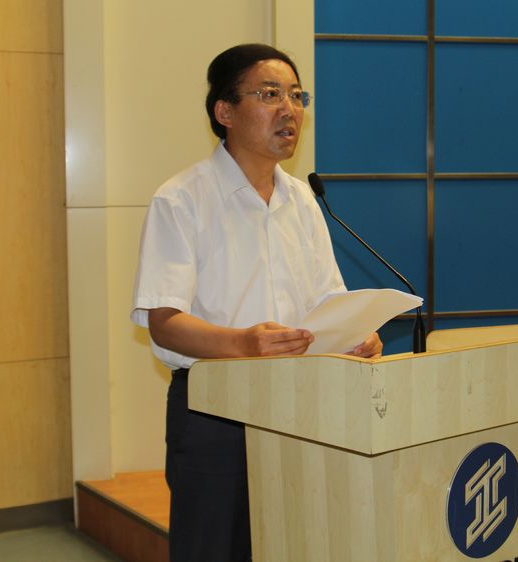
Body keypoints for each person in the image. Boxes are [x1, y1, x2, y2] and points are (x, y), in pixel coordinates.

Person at [131, 43, 383, 562]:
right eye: (270, 95)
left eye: (297, 96)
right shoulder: (182, 199)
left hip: (300, 406)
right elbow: (164, 322)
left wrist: (355, 334)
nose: (289, 109)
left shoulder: (303, 201)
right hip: (214, 411)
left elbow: (328, 300)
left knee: (293, 545)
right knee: (212, 549)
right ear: (224, 111)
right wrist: (243, 344)